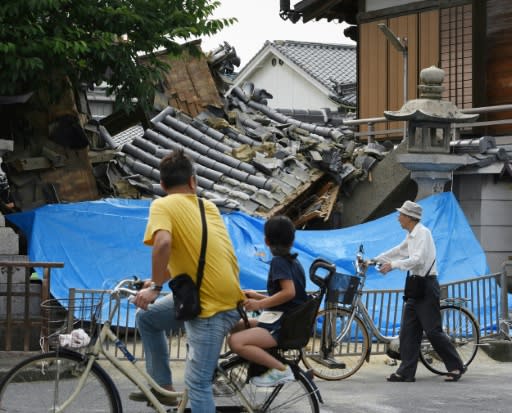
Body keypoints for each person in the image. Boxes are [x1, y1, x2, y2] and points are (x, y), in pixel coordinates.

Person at [133, 149, 245, 413]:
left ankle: (175, 391)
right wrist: (155, 280)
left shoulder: (161, 204)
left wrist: (157, 288)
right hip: (218, 293)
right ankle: (164, 389)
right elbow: (194, 256)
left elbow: (163, 244)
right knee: (146, 318)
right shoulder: (208, 207)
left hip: (211, 306)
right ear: (193, 181)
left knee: (197, 383)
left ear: (162, 185)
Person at [373, 200, 466, 382]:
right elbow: (399, 251)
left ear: (409, 217)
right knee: (408, 331)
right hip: (415, 286)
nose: (398, 217)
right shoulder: (411, 235)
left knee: (433, 331)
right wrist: (374, 259)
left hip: (427, 286)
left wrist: (392, 265)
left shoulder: (423, 233)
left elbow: (417, 260)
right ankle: (406, 372)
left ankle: (456, 366)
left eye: (401, 214)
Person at [228, 215, 308, 387]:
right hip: (285, 321)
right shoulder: (294, 262)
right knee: (237, 326)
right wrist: (257, 296)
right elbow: (287, 299)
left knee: (235, 341)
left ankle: (280, 369)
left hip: (281, 326)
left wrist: (259, 304)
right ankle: (256, 364)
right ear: (292, 240)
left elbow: (289, 293)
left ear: (266, 240)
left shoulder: (279, 261)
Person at [127, 286, 184, 406]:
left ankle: (162, 386)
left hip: (200, 292)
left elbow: (165, 267)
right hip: (200, 288)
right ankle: (162, 385)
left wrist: (155, 287)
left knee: (145, 317)